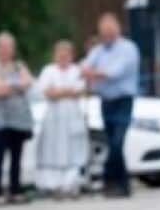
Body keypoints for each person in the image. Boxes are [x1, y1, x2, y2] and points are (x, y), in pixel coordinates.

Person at [81, 13, 140, 199]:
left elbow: (115, 73)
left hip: (123, 100)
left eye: (109, 31)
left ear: (117, 29)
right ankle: (122, 185)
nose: (106, 35)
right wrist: (92, 73)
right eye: (102, 32)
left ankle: (110, 179)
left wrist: (94, 73)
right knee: (111, 142)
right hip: (106, 101)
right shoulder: (98, 51)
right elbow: (83, 67)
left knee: (117, 142)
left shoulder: (128, 49)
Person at [0, 31, 35, 205]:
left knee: (16, 157)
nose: (6, 50)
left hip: (18, 119)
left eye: (9, 47)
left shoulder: (19, 66)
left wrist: (8, 86)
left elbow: (28, 82)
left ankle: (15, 190)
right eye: (3, 47)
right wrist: (15, 86)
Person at [35, 40, 89, 199]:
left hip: (72, 114)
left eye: (67, 54)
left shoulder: (76, 70)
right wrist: (66, 91)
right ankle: (54, 185)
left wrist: (60, 91)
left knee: (73, 149)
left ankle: (71, 184)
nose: (63, 57)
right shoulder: (48, 70)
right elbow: (47, 92)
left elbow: (80, 90)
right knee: (53, 149)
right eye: (60, 54)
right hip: (54, 116)